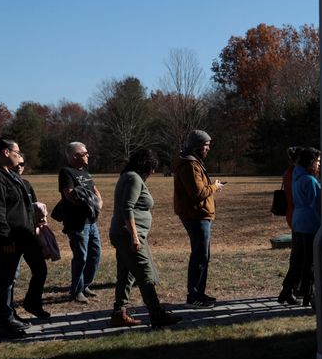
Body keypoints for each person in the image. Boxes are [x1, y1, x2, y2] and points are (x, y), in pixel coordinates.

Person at [109, 149, 181, 328]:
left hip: (122, 233)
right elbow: (127, 207)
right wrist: (134, 236)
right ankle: (157, 315)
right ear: (145, 166)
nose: (153, 172)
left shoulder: (127, 176)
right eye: (152, 168)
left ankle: (119, 313)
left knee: (126, 274)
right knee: (145, 274)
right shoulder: (133, 178)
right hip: (129, 235)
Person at [172, 130, 224, 308]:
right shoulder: (190, 165)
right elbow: (197, 193)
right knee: (200, 256)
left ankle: (199, 293)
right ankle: (194, 296)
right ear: (196, 145)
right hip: (196, 215)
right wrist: (215, 187)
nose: (208, 148)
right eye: (205, 145)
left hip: (199, 214)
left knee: (203, 255)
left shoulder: (193, 162)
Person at [0, 138, 33, 338]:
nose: (20, 154)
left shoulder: (8, 174)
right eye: (17, 151)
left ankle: (7, 317)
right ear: (6, 152)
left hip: (17, 239)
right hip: (4, 242)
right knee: (0, 283)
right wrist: (4, 238)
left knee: (7, 281)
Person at [57, 141, 102, 303]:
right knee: (81, 257)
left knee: (96, 255)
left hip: (91, 221)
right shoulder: (66, 172)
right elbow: (68, 194)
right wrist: (88, 204)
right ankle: (76, 291)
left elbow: (95, 190)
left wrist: (99, 203)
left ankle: (85, 284)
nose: (88, 155)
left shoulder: (85, 172)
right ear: (75, 156)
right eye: (85, 153)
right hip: (77, 223)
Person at [278, 147, 321, 307]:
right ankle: (308, 293)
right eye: (317, 162)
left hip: (297, 220)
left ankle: (290, 290)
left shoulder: (294, 176)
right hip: (309, 222)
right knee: (309, 260)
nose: (319, 165)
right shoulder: (309, 180)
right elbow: (317, 204)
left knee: (298, 258)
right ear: (310, 162)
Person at [12, 161, 50, 318]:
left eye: (23, 163)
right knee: (11, 276)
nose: (20, 166)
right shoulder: (1, 182)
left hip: (29, 235)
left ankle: (32, 303)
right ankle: (8, 313)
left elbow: (34, 207)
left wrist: (39, 223)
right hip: (12, 236)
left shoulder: (26, 184)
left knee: (41, 269)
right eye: (17, 163)